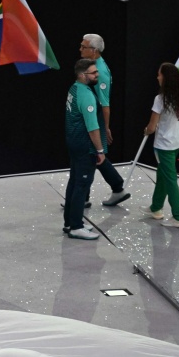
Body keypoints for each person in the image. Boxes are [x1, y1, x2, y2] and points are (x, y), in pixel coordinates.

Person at [80, 34, 130, 206]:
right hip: (91, 117)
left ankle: (85, 197)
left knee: (91, 156)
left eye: (84, 47)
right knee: (92, 156)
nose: (80, 49)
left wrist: (105, 127)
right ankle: (116, 188)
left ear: (94, 51)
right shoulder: (92, 66)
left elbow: (105, 103)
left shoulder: (100, 73)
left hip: (95, 119)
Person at [142, 62, 179, 228]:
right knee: (162, 174)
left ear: (166, 78)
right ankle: (156, 208)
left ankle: (178, 217)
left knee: (170, 179)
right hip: (177, 141)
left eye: (159, 74)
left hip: (164, 145)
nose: (157, 77)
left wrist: (147, 130)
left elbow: (152, 126)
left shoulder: (160, 99)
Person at [63, 59, 105, 240]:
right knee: (82, 185)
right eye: (93, 73)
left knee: (74, 182)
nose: (97, 75)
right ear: (82, 75)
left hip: (73, 142)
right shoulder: (86, 95)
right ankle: (76, 227)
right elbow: (92, 127)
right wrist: (100, 150)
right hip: (84, 145)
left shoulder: (74, 88)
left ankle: (70, 221)